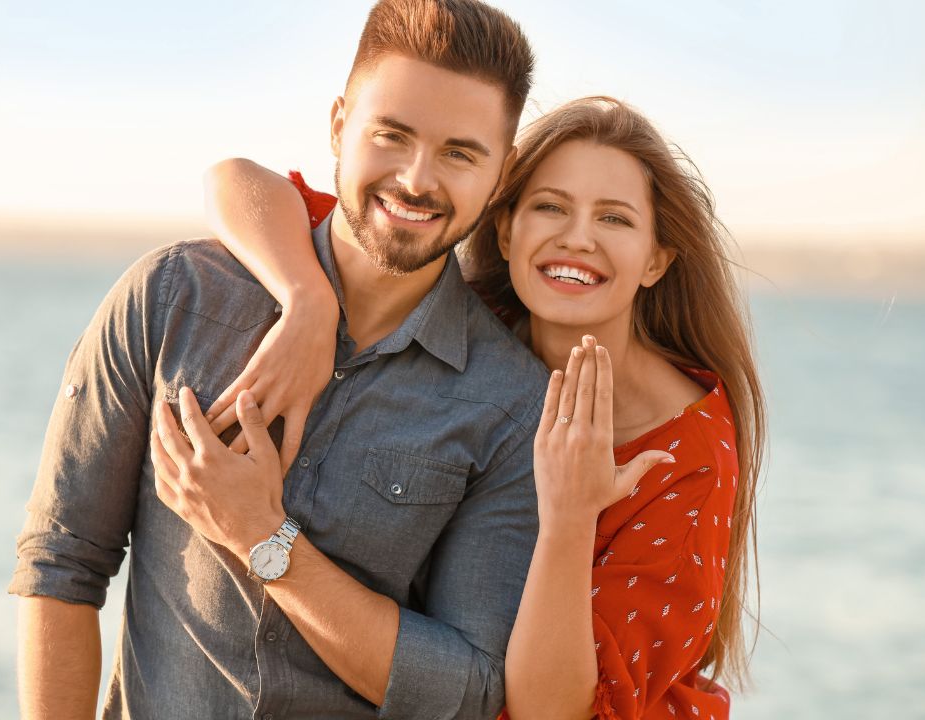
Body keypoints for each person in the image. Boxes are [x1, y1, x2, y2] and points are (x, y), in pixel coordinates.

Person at [7, 1, 549, 718]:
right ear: (338, 124)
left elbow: (470, 688)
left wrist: (264, 538)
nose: (417, 180)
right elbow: (60, 565)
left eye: (459, 152)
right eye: (392, 135)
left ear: (502, 171)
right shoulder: (172, 298)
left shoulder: (511, 403)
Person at [192, 96, 765, 718]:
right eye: (550, 206)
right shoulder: (462, 321)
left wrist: (571, 516)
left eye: (615, 219)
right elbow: (238, 182)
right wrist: (307, 300)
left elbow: (552, 713)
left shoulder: (686, 451)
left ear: (656, 260)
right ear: (503, 227)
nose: (577, 238)